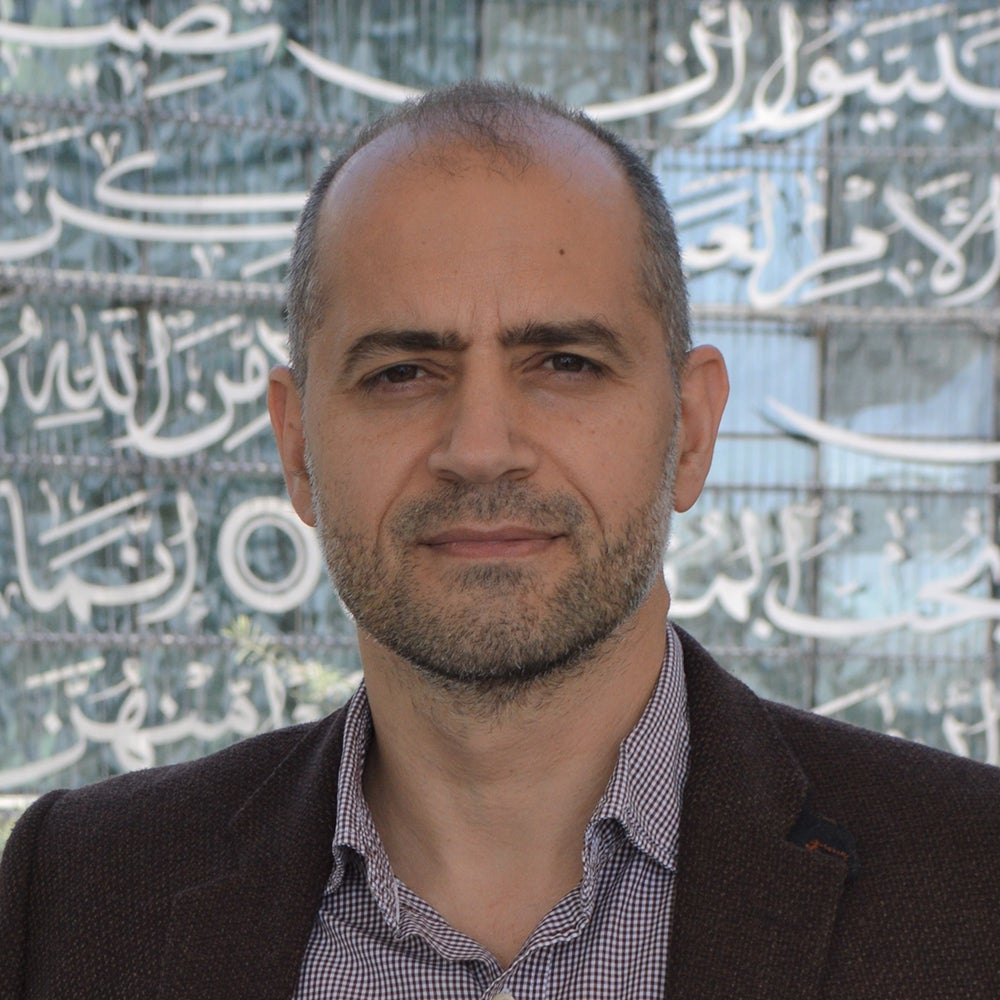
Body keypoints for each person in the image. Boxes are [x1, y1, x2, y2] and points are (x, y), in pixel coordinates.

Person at [2, 81, 999, 1000]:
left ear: (690, 432)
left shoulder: (972, 883)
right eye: (401, 373)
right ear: (297, 446)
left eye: (564, 363)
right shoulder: (80, 895)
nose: (480, 450)